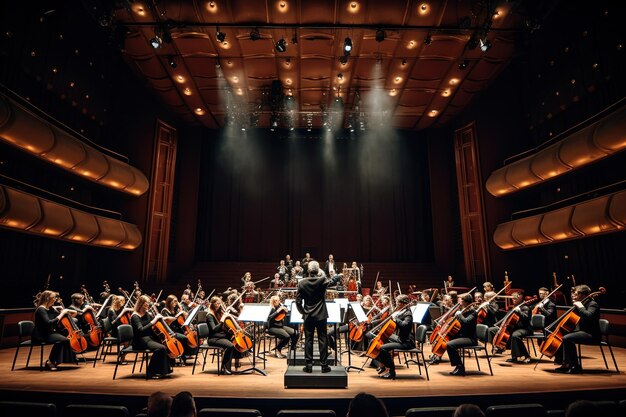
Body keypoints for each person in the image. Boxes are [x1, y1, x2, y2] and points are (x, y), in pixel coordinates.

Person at [295, 260, 341, 373]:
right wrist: (338, 275)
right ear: (318, 270)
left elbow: (297, 301)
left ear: (308, 270)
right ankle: (324, 366)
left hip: (308, 315)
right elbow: (334, 280)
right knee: (323, 339)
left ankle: (309, 365)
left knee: (308, 340)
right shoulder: (322, 280)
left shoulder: (302, 282)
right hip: (321, 315)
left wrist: (303, 312)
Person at [554, 285, 600, 373]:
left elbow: (588, 316)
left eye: (576, 294)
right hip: (582, 331)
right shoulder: (582, 303)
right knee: (561, 335)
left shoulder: (592, 304)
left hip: (591, 334)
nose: (575, 296)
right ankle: (565, 364)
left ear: (582, 294)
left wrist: (580, 307)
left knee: (567, 338)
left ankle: (575, 366)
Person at [370, 294, 414, 380]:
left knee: (382, 348)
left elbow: (405, 325)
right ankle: (382, 364)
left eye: (398, 303)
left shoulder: (408, 314)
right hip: (401, 338)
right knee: (385, 337)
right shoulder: (402, 312)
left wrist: (396, 319)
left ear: (404, 304)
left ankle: (392, 371)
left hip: (406, 342)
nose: (397, 305)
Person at [130, 295, 174, 379]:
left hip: (148, 338)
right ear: (141, 304)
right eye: (146, 304)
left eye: (148, 304)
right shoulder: (135, 316)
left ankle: (164, 370)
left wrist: (165, 322)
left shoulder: (147, 314)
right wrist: (153, 321)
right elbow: (141, 330)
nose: (148, 306)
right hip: (139, 341)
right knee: (161, 348)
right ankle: (151, 371)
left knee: (165, 345)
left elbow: (155, 326)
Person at [33, 290, 78, 370]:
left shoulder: (50, 309)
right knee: (63, 340)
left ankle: (57, 360)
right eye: (54, 297)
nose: (55, 299)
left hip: (49, 332)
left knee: (66, 338)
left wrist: (63, 310)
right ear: (48, 298)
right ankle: (50, 361)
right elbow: (49, 323)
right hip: (41, 334)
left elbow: (74, 314)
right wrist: (62, 313)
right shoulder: (41, 310)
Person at [205, 296, 241, 375]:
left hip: (220, 336)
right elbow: (214, 329)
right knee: (230, 346)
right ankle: (224, 367)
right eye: (217, 304)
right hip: (213, 338)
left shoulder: (218, 312)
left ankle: (235, 362)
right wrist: (222, 321)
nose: (218, 305)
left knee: (237, 341)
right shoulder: (209, 315)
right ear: (212, 304)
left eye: (219, 303)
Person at [446, 293, 477, 376]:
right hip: (462, 336)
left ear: (466, 302)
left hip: (470, 338)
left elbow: (466, 322)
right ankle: (458, 366)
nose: (459, 301)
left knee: (450, 345)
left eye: (461, 300)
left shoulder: (473, 312)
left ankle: (460, 367)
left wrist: (460, 315)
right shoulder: (463, 311)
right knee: (448, 340)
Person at [504, 292, 532, 364]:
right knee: (510, 334)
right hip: (516, 328)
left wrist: (519, 312)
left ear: (520, 298)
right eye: (512, 299)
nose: (513, 300)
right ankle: (514, 356)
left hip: (525, 329)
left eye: (515, 299)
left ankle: (527, 356)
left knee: (515, 335)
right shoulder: (515, 307)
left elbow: (527, 318)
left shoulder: (525, 307)